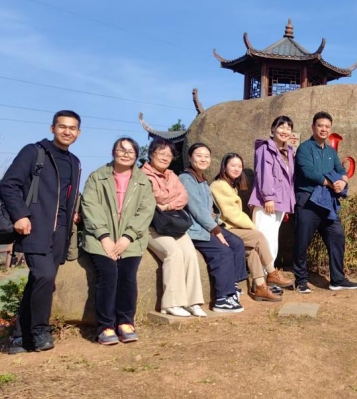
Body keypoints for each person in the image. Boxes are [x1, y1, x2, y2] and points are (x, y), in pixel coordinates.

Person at [0, 110, 82, 354]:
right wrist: (20, 215)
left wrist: (74, 215)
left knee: (38, 280)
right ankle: (40, 331)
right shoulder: (34, 152)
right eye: (62, 126)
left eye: (72, 128)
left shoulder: (75, 162)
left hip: (62, 231)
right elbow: (9, 185)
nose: (67, 131)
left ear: (78, 133)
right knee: (44, 276)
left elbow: (68, 196)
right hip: (35, 227)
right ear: (52, 128)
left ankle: (20, 337)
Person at [80, 137, 155, 345]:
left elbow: (146, 211)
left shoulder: (143, 181)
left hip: (131, 239)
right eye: (121, 150)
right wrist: (104, 237)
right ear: (113, 152)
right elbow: (90, 206)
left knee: (128, 276)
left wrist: (127, 237)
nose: (126, 154)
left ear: (136, 155)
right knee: (108, 273)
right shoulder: (97, 177)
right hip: (100, 238)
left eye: (131, 151)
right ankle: (105, 326)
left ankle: (125, 322)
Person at [212, 152, 295, 302]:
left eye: (240, 166)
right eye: (233, 165)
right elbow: (231, 214)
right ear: (224, 167)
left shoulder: (230, 185)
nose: (237, 169)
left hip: (229, 229)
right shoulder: (220, 185)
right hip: (222, 229)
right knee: (257, 236)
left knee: (251, 251)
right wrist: (251, 226)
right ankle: (272, 273)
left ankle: (260, 288)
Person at [293, 111, 357, 293]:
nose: (324, 129)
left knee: (337, 236)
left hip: (326, 202)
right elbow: (308, 172)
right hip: (307, 200)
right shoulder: (305, 148)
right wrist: (331, 183)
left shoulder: (331, 151)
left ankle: (337, 279)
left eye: (327, 126)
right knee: (302, 241)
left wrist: (343, 181)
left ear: (330, 129)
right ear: (313, 127)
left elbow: (340, 170)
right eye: (320, 125)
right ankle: (301, 280)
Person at [141, 138, 207, 318]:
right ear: (151, 154)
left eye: (169, 155)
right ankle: (172, 303)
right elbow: (152, 198)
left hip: (173, 224)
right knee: (174, 253)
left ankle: (193, 302)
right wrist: (169, 198)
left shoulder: (172, 175)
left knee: (190, 253)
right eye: (161, 153)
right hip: (152, 226)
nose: (165, 157)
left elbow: (183, 197)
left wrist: (167, 205)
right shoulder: (142, 176)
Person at [180, 143, 248, 313]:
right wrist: (215, 229)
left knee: (237, 243)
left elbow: (209, 209)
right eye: (199, 155)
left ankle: (232, 285)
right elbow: (196, 209)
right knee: (223, 251)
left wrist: (215, 223)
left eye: (206, 156)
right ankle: (222, 298)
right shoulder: (186, 179)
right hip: (195, 230)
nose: (203, 159)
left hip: (208, 225)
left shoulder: (202, 180)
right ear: (190, 158)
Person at [248, 115, 296, 267]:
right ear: (273, 129)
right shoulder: (265, 149)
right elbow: (264, 174)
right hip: (266, 201)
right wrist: (268, 197)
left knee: (272, 238)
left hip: (280, 202)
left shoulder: (289, 152)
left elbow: (288, 180)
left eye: (288, 128)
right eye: (281, 127)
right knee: (264, 238)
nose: (285, 131)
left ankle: (269, 273)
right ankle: (260, 275)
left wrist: (288, 203)